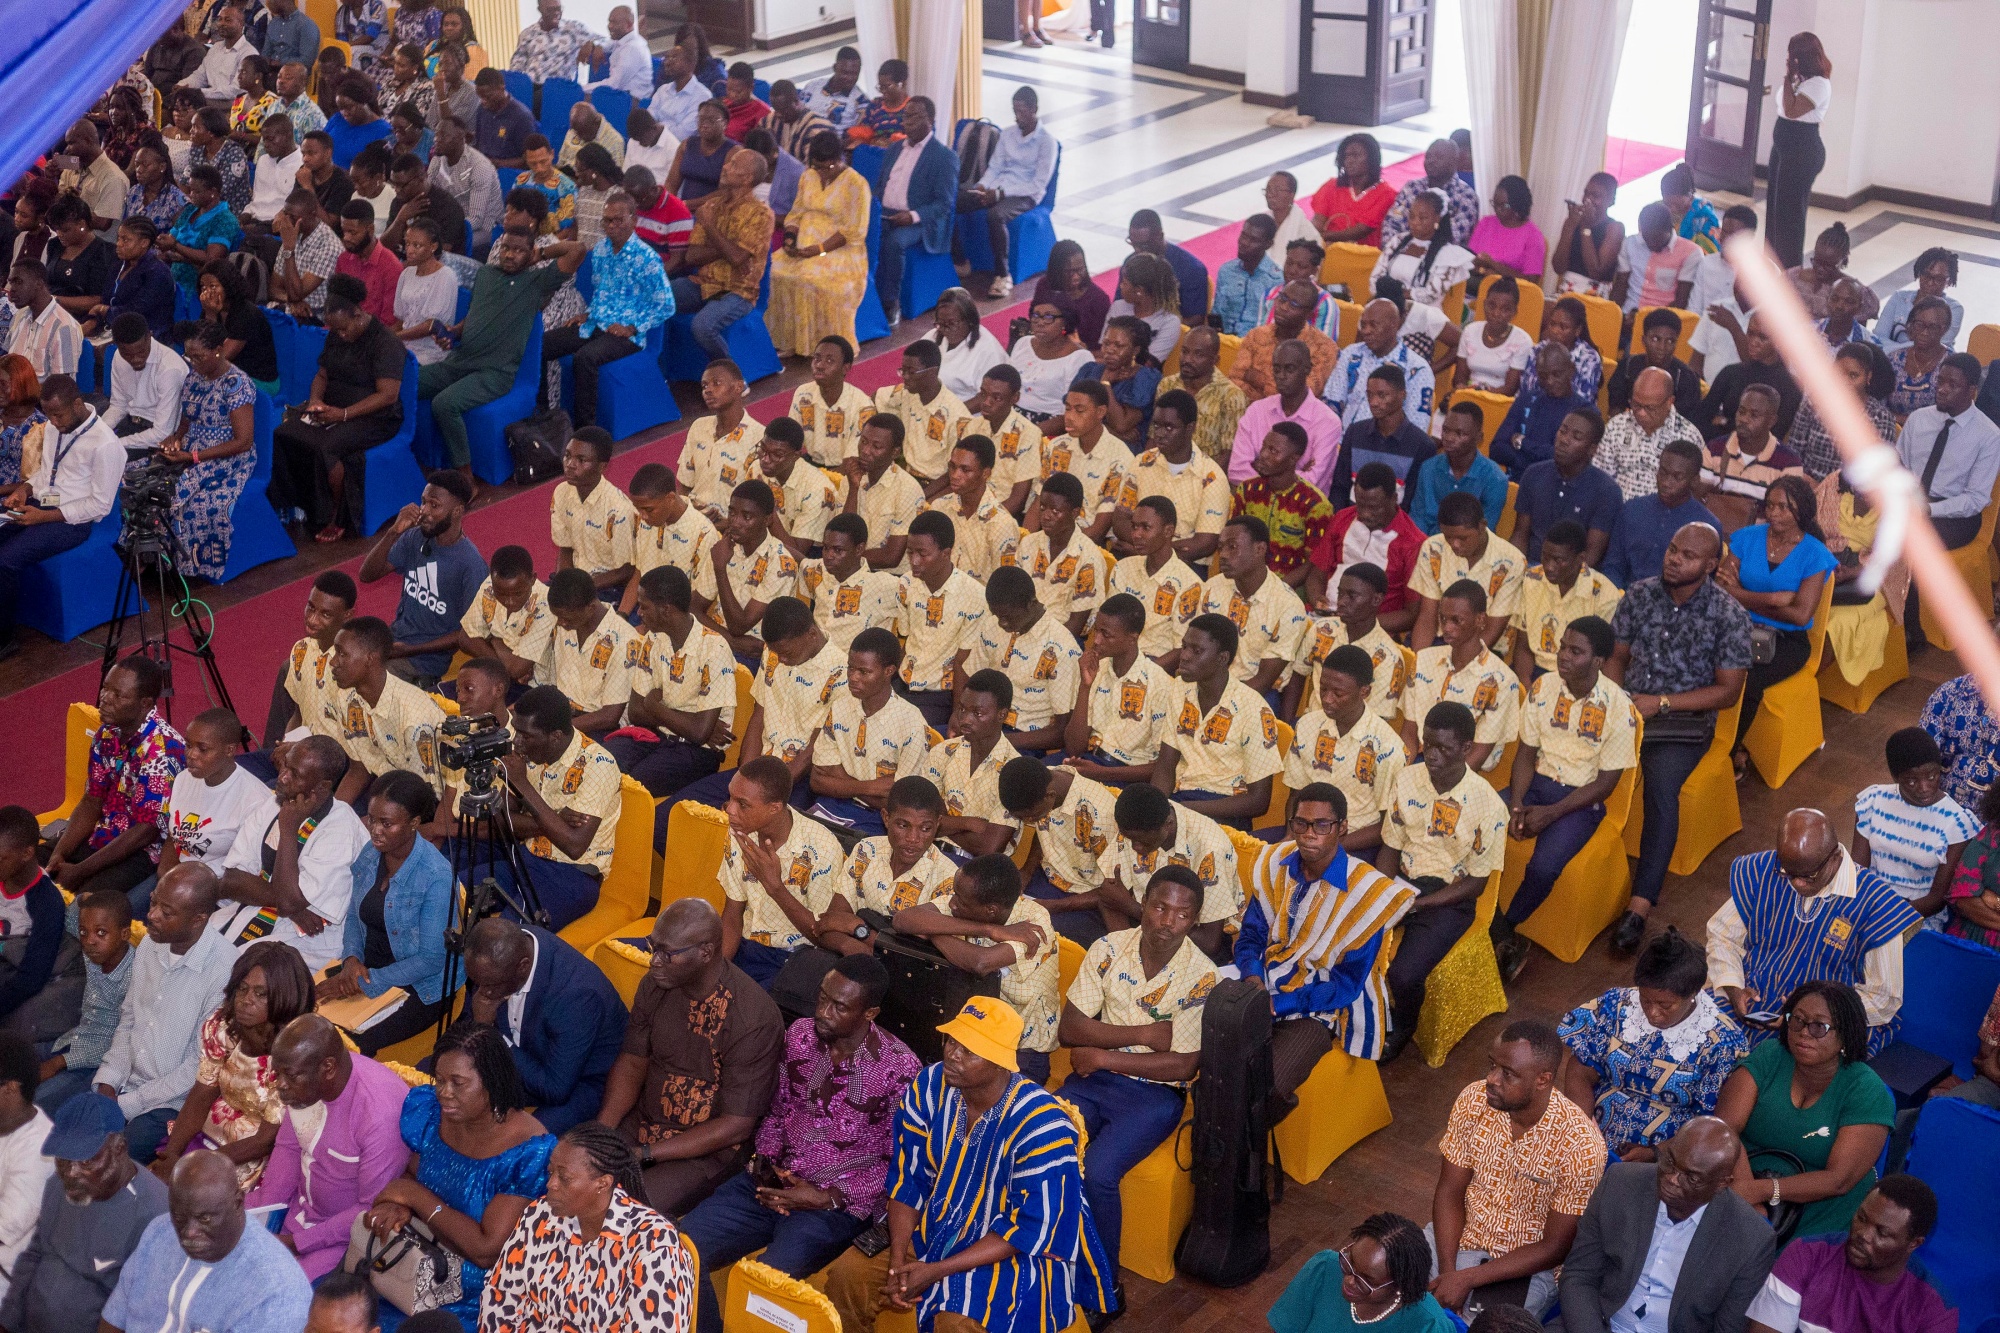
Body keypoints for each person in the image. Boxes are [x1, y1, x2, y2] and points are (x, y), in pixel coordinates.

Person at [821, 996, 1113, 1333]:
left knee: (956, 1324)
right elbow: (909, 1179)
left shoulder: (1043, 1127)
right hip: (936, 1226)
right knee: (847, 1278)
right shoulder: (929, 1087)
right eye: (952, 1040)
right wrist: (899, 1261)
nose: (953, 1054)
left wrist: (936, 1270)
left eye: (969, 1050)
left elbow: (1030, 1228)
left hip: (1008, 1249)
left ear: (1000, 1063)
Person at [678, 955, 918, 1333]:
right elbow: (778, 1109)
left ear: (870, 1012)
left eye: (839, 1006)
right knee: (680, 1250)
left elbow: (899, 1164)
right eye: (821, 998)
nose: (823, 1012)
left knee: (765, 1285)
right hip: (772, 1184)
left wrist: (828, 1197)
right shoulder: (801, 1035)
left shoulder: (900, 1069)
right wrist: (771, 1165)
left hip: (833, 1206)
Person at [1605, 523, 1752, 951]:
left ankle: (1639, 904)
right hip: (1628, 710)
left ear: (1710, 565)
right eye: (1672, 549)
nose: (1674, 558)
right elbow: (1616, 656)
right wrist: (1619, 700)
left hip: (1682, 724)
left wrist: (1662, 703)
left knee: (1662, 790)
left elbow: (1728, 692)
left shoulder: (1728, 615)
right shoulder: (1639, 594)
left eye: (1687, 555)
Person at [594, 899, 784, 1216]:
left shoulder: (754, 1019)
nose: (654, 961)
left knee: (622, 1212)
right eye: (652, 947)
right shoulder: (656, 985)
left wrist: (642, 1154)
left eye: (667, 954)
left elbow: (736, 1126)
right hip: (643, 1123)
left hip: (707, 1150)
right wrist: (602, 1131)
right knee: (574, 1174)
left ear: (706, 952)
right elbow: (632, 1063)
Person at [361, 1021, 554, 1331]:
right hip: (412, 1261)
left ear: (492, 1082)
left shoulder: (527, 1151)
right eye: (439, 1080)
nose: (443, 1093)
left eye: (458, 1083)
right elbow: (411, 1174)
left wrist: (414, 1198)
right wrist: (400, 1206)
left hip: (469, 1294)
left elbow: (484, 1250)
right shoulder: (431, 1112)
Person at [1239, 780, 1416, 1088]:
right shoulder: (1274, 863)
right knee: (1217, 1052)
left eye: (1321, 825)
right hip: (1267, 976)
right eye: (1301, 824)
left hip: (1322, 1004)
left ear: (1342, 828)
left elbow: (1346, 985)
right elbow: (1252, 935)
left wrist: (1277, 1005)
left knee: (1267, 1083)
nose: (1309, 834)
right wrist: (1254, 980)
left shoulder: (1366, 893)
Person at [1431, 1020, 1608, 1317]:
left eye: (1508, 1074)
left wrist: (1466, 1279)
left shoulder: (1580, 1145)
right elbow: (1450, 1191)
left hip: (1525, 1266)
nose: (1492, 1079)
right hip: (1458, 1238)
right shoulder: (1474, 1100)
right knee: (1385, 1280)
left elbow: (1555, 1247)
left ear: (1543, 1079)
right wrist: (1449, 1273)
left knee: (1488, 1325)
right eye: (1492, 1065)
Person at [1492, 616, 1636, 979]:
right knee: (1475, 821)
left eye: (1576, 651)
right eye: (1562, 647)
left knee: (1543, 867)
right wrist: (1516, 804)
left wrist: (1550, 814)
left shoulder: (1619, 707)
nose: (1563, 656)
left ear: (1599, 661)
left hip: (1580, 801)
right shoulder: (1543, 687)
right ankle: (1488, 920)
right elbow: (1525, 753)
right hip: (1535, 783)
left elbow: (1606, 784)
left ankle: (1508, 928)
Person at [1707, 810, 1919, 1055]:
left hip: (1826, 1017)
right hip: (1752, 996)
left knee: (1784, 1073)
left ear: (1835, 857)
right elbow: (1723, 936)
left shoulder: (1878, 903)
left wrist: (1807, 1015)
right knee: (1696, 1040)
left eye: (1808, 876)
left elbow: (1883, 997)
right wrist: (1733, 987)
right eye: (1788, 873)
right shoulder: (1764, 870)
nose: (1796, 883)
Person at [1557, 1117, 1776, 1333]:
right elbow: (1579, 1275)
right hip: (1597, 1323)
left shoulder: (1751, 1239)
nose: (1672, 1178)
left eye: (1691, 1177)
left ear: (1722, 1183)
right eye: (1670, 1162)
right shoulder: (1621, 1183)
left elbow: (1727, 1328)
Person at [1713, 979, 1894, 1238]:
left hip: (1822, 1204)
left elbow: (1839, 1180)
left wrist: (1763, 1191)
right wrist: (1748, 1196)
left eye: (1819, 1026)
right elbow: (1725, 1127)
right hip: (1741, 1173)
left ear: (1846, 1033)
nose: (1804, 1032)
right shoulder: (1770, 1055)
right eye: (1797, 1020)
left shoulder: (1866, 1090)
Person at [479, 1121, 696, 1333]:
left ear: (603, 1183)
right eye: (551, 1171)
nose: (550, 1184)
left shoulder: (655, 1245)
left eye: (564, 1177)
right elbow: (501, 1296)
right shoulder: (539, 1215)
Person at [1379, 703, 1509, 1057]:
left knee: (1404, 975)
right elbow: (1390, 844)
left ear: (1467, 749)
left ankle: (1403, 1026)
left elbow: (1477, 884)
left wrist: (1418, 906)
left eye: (1444, 749)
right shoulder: (1407, 778)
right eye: (1427, 744)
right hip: (1403, 880)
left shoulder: (1489, 806)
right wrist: (1381, 891)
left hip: (1449, 898)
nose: (1432, 755)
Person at [1559, 929, 1749, 1160]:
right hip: (1594, 1126)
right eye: (1645, 1000)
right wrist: (1582, 1130)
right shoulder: (1616, 1006)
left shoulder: (1721, 1042)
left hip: (1672, 1151)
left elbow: (1713, 1125)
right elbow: (1581, 1069)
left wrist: (1656, 1153)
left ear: (1693, 993)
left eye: (1665, 1005)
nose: (1652, 1013)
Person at [91, 864, 233, 1163]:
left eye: (166, 912)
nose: (151, 915)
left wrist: (127, 1104)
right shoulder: (150, 945)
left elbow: (199, 1065)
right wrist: (107, 1082)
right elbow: (128, 1019)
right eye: (154, 901)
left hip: (173, 1103)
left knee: (113, 1157)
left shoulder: (225, 971)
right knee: (68, 1125)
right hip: (125, 1083)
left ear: (199, 919)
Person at [148, 941, 314, 1189]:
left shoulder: (292, 1057)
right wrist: (173, 1155)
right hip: (210, 1135)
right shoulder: (223, 1028)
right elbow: (200, 1097)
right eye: (242, 989)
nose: (246, 1001)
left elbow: (265, 1141)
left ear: (285, 998)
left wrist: (196, 1165)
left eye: (261, 994)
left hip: (253, 1158)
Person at [0, 1092, 169, 1333]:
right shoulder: (60, 1184)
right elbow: (35, 1253)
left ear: (119, 1148)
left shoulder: (155, 1217)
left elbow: (138, 1314)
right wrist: (7, 1320)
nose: (71, 1173)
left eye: (86, 1161)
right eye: (64, 1159)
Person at [418, 228, 581, 470]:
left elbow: (578, 250)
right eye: (506, 248)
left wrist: (541, 254)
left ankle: (465, 475)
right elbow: (475, 314)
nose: (509, 255)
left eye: (518, 250)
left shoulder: (536, 282)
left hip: (495, 372)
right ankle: (422, 458)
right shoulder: (485, 274)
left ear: (530, 253)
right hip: (461, 361)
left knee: (444, 404)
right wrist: (454, 332)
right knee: (408, 381)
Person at [99, 1151, 312, 1333]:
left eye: (205, 1219)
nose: (189, 1232)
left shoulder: (278, 1291)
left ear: (238, 1203)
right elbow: (115, 1316)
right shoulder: (160, 1231)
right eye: (180, 1217)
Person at [319, 771, 453, 1054]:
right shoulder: (371, 853)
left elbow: (431, 959)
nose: (374, 830)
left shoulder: (436, 875)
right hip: (367, 966)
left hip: (419, 985)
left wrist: (366, 982)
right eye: (372, 818)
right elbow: (355, 915)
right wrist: (352, 960)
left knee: (342, 1046)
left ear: (414, 823)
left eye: (387, 823)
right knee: (301, 1010)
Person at [268, 276, 406, 542]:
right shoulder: (336, 335)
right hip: (333, 407)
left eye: (344, 329)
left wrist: (343, 415)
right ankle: (294, 502)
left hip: (375, 417)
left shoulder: (385, 343)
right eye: (336, 330)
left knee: (327, 446)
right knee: (285, 433)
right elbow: (322, 375)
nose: (341, 335)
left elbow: (387, 396)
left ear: (358, 315)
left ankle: (333, 515)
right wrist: (315, 401)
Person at [42, 655, 184, 904]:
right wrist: (59, 853)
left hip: (140, 852)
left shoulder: (162, 750)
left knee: (83, 906)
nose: (105, 698)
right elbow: (91, 800)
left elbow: (145, 832)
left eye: (118, 695)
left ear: (145, 703)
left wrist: (80, 871)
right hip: (104, 833)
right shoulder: (106, 733)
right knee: (25, 866)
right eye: (106, 688)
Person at [1718, 474, 1834, 775]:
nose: (1774, 513)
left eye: (1784, 507)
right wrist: (1772, 599)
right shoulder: (1747, 537)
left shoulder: (1815, 554)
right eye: (1770, 506)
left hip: (1787, 641)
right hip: (1736, 626)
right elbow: (1721, 591)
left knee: (1747, 679)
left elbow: (1799, 616)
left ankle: (1727, 753)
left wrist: (1741, 596)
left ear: (1802, 511)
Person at [1742, 1176, 1954, 1333]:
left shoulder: (1933, 1309)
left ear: (1914, 1244)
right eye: (1861, 1218)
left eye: (1882, 1232)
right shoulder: (1806, 1255)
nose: (1863, 1234)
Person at [766, 132, 869, 359]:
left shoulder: (857, 184)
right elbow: (796, 213)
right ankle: (789, 340)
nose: (823, 171)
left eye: (829, 166)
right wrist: (791, 239)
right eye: (817, 166)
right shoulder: (808, 176)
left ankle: (823, 346)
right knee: (774, 271)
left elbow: (854, 231)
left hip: (839, 251)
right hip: (804, 246)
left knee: (810, 279)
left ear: (840, 158)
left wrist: (819, 249)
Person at [1269, 1212, 1458, 1333]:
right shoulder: (1325, 1268)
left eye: (1367, 1280)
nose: (1349, 1280)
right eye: (1350, 1262)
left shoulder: (1428, 1325)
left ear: (1399, 1284)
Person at [1064, 594, 1177, 787]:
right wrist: (1085, 687)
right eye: (1096, 631)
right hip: (1088, 762)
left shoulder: (1161, 685)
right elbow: (1073, 747)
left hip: (1126, 776)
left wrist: (1104, 773)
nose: (1096, 641)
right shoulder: (1095, 669)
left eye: (1106, 634)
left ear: (1132, 639)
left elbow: (1163, 766)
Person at [37, 891, 135, 1113]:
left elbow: (118, 1042)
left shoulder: (134, 977)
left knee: (36, 1102)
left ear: (125, 934)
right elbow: (72, 918)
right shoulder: (95, 950)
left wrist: (59, 1062)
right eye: (84, 932)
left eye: (101, 933)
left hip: (93, 1063)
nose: (90, 941)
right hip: (71, 1039)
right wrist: (83, 898)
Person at [673, 147, 774, 361]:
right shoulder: (711, 206)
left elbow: (737, 258)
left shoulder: (761, 214)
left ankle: (731, 377)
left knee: (702, 327)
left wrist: (710, 227)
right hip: (703, 282)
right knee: (655, 297)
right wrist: (728, 250)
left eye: (733, 165)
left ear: (746, 178)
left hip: (737, 291)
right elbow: (692, 257)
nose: (725, 167)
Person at [958, 86, 1056, 300]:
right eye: (1014, 110)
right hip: (997, 188)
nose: (1017, 116)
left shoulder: (1047, 142)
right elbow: (995, 167)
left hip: (1025, 195)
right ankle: (960, 260)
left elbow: (1038, 184)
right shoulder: (1008, 134)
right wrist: (982, 186)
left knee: (996, 215)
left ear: (1034, 109)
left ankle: (1003, 275)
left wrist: (1000, 194)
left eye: (1021, 111)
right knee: (954, 201)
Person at [1512, 413, 1622, 566]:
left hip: (1572, 576)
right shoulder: (1533, 474)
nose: (1564, 440)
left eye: (1576, 437)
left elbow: (1591, 555)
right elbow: (1520, 534)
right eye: (1562, 431)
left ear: (1592, 449)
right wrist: (1516, 571)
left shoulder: (1607, 491)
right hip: (1530, 567)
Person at [1599, 365, 1709, 506]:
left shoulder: (1688, 436)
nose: (1641, 413)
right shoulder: (1617, 426)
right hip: (1617, 513)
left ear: (1669, 402)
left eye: (1650, 408)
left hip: (1664, 516)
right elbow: (1601, 478)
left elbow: (1694, 491)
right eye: (1636, 405)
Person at [1326, 297, 1437, 434]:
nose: (1366, 331)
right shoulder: (1351, 354)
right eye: (1363, 325)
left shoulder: (1417, 369)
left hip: (1385, 449)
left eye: (1373, 325)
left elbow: (1416, 428)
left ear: (1395, 325)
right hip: (1340, 443)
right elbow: (1331, 405)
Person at [1696, 318, 1802, 447]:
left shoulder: (1790, 387)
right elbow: (1702, 418)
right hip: (1717, 449)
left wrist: (1725, 423)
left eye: (1762, 337)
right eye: (1750, 333)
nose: (1753, 342)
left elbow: (1774, 435)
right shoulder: (1731, 372)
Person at [98, 315, 186, 457]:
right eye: (127, 354)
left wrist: (116, 443)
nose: (135, 359)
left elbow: (162, 433)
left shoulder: (170, 368)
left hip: (155, 440)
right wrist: (99, 432)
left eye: (141, 352)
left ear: (149, 337)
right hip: (129, 424)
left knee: (104, 458)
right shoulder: (118, 357)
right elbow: (118, 406)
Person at [1372, 190, 1472, 311]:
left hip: (1423, 314)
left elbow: (1431, 293)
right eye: (1412, 216)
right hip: (1389, 308)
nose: (1415, 222)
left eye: (1422, 218)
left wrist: (1394, 293)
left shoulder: (1447, 254)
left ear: (1437, 219)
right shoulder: (1398, 241)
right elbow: (1375, 278)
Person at [1378, 139, 1479, 257]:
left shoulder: (1466, 196)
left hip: (1440, 263)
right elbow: (1391, 223)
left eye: (1438, 157)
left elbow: (1454, 237)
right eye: (1428, 156)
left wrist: (1418, 253)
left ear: (1454, 162)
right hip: (1400, 254)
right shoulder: (1412, 187)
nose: (1431, 161)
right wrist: (1399, 250)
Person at [1608, 310, 1705, 424]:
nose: (1662, 347)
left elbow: (1685, 421)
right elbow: (1615, 407)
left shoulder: (1686, 377)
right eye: (1655, 339)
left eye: (1670, 341)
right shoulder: (1628, 366)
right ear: (1644, 340)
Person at [1613, 203, 1700, 317]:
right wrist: (1614, 315)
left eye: (1656, 239)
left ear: (1671, 228)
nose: (1651, 244)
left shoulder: (1691, 252)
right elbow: (1621, 284)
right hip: (1627, 313)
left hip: (1661, 321)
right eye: (1646, 238)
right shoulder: (1630, 243)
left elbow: (1682, 301)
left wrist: (1644, 319)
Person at [1308, 133, 1395, 247]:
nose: (1349, 160)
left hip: (1362, 256)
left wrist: (1322, 236)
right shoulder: (1331, 185)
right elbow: (1318, 221)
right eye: (1346, 156)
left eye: (1355, 155)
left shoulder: (1386, 194)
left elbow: (1360, 231)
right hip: (1325, 249)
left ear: (1372, 158)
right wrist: (1311, 236)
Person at [1458, 275, 1537, 396]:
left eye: (1505, 309)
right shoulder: (1470, 331)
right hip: (1468, 395)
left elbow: (1510, 389)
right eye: (1491, 306)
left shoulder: (1522, 340)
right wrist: (1465, 391)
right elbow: (1459, 378)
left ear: (1514, 312)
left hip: (1499, 402)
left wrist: (1479, 393)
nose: (1496, 313)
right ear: (1484, 305)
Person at [3, 261, 82, 379]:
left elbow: (60, 386)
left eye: (18, 282)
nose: (12, 289)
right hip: (12, 393)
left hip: (40, 396)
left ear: (39, 284)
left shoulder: (64, 327)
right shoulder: (18, 317)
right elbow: (6, 365)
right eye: (11, 282)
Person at [1875, 247, 1961, 350]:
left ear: (1949, 281)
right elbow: (1878, 337)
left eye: (1938, 279)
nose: (1930, 283)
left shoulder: (1954, 309)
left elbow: (1935, 347)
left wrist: (1893, 350)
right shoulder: (1899, 298)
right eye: (1926, 275)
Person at [1553, 172, 1624, 296]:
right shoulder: (1572, 222)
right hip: (1567, 291)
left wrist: (1585, 227)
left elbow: (1596, 272)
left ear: (1611, 201)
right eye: (1586, 193)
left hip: (1594, 296)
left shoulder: (1614, 228)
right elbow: (1558, 267)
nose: (1587, 200)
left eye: (1595, 196)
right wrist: (1570, 226)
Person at [1466, 176, 1547, 283]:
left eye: (1503, 205)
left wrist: (1493, 264)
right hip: (1475, 285)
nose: (1497, 209)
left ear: (1517, 204)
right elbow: (1469, 259)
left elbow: (1531, 282)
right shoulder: (1486, 223)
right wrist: (1482, 270)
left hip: (1510, 295)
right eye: (1494, 203)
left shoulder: (1533, 236)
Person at [1033, 240, 1110, 352]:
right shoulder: (1044, 286)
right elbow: (1036, 318)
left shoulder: (1098, 299)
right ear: (1056, 270)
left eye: (1080, 270)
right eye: (1069, 272)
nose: (1076, 277)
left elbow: (1099, 346)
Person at [509, 0, 600, 81]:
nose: (556, 13)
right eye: (550, 10)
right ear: (539, 9)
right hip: (534, 90)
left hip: (562, 89)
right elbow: (516, 67)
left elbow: (607, 41)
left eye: (559, 9)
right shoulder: (527, 34)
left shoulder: (574, 29)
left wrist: (593, 44)